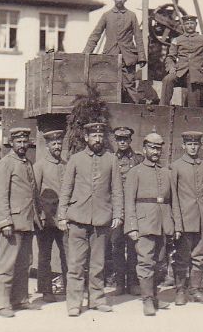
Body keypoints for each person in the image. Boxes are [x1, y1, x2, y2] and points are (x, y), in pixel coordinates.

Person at [57, 122, 124, 317]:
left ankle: (97, 300)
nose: (97, 139)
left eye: (100, 136)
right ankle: (74, 303)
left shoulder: (111, 160)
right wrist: (62, 215)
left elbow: (117, 190)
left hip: (102, 219)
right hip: (77, 218)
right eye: (93, 136)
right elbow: (66, 189)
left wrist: (118, 214)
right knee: (76, 264)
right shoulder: (76, 159)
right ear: (86, 138)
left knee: (98, 264)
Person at [0, 127, 41, 317]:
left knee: (24, 262)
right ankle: (1, 303)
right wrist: (4, 222)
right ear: (11, 143)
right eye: (18, 142)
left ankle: (20, 299)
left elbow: (32, 193)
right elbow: (1, 195)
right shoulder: (5, 164)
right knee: (6, 263)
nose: (22, 145)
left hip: (27, 221)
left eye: (24, 141)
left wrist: (37, 217)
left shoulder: (27, 163)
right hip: (11, 223)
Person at [124, 132, 173, 316]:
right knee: (145, 262)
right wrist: (132, 226)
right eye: (152, 147)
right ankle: (147, 301)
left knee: (159, 261)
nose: (155, 151)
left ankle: (154, 297)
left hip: (163, 222)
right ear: (144, 149)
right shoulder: (135, 172)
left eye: (158, 147)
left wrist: (172, 225)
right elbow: (129, 201)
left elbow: (171, 200)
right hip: (144, 224)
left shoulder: (166, 172)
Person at [170, 131, 203, 305]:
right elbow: (174, 196)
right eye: (189, 144)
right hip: (184, 219)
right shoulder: (176, 166)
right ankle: (180, 291)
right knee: (182, 257)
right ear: (183, 146)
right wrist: (176, 221)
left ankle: (195, 290)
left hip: (202, 219)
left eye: (195, 144)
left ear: (199, 145)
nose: (192, 147)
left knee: (200, 256)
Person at [83, 0, 147, 104]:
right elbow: (96, 34)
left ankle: (137, 112)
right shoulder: (106, 15)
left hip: (127, 57)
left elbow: (138, 37)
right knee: (108, 84)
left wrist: (142, 56)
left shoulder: (132, 16)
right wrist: (86, 52)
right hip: (110, 55)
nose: (120, 0)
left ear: (126, 0)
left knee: (129, 84)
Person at [33, 129, 68, 303]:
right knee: (45, 255)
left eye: (59, 143)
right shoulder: (39, 166)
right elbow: (35, 193)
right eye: (53, 144)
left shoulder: (65, 164)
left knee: (67, 253)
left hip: (63, 219)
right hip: (46, 219)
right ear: (47, 146)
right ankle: (46, 290)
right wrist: (40, 215)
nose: (57, 146)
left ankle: (69, 288)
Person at [110, 126, 143, 296]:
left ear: (130, 140)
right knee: (116, 247)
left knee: (133, 247)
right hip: (116, 210)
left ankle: (133, 282)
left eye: (125, 139)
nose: (122, 142)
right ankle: (119, 283)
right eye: (119, 139)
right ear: (116, 141)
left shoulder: (138, 160)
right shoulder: (110, 159)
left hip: (133, 210)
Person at [160, 15, 203, 107]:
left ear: (195, 25)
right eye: (187, 24)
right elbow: (170, 57)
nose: (189, 26)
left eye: (192, 23)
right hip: (180, 72)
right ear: (183, 26)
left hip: (196, 74)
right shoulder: (177, 40)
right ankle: (163, 108)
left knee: (192, 104)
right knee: (167, 79)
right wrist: (171, 67)